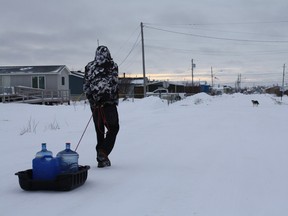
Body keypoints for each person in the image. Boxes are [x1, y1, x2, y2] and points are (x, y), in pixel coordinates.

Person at [83, 45, 120, 168]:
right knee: (114, 128)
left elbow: (86, 87)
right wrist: (114, 99)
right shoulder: (113, 66)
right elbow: (114, 84)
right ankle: (103, 153)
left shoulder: (89, 67)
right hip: (109, 104)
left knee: (99, 131)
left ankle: (101, 158)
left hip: (95, 105)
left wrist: (92, 101)